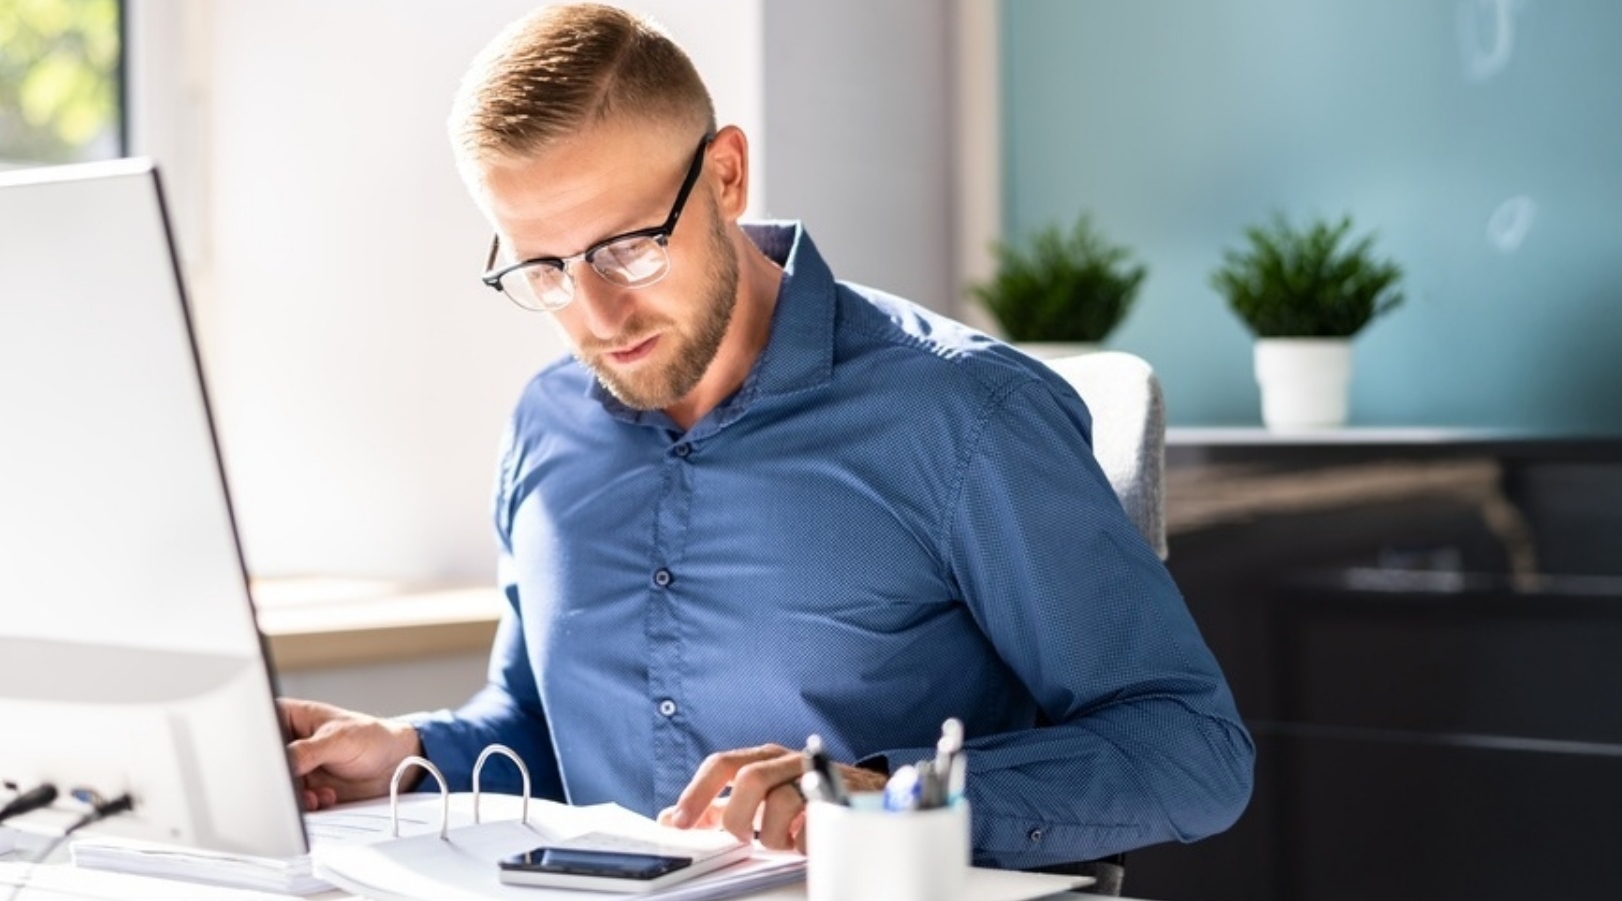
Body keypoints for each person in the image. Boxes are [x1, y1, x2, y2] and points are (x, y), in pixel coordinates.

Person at [274, 2, 1254, 875]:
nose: (595, 312)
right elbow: (536, 722)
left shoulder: (960, 417)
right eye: (543, 268)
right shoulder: (545, 426)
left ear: (727, 175)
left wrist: (877, 794)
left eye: (627, 246)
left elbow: (1191, 750)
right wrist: (406, 747)